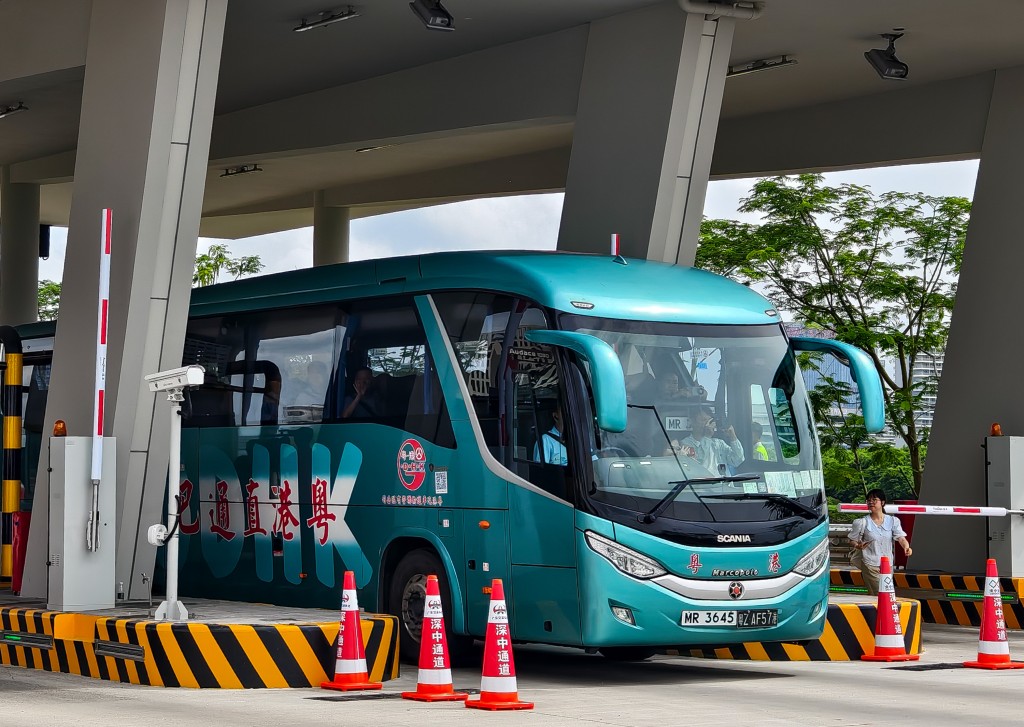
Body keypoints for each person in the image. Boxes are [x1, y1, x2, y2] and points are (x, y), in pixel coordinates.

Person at [848, 488, 912, 595]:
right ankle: (879, 611)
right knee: (880, 593)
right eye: (868, 500)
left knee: (886, 593)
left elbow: (900, 537)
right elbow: (851, 540)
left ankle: (877, 611)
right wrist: (858, 545)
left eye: (874, 500)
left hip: (887, 564)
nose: (871, 502)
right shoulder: (861, 522)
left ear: (882, 502)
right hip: (870, 563)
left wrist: (906, 547)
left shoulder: (893, 521)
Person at [672, 406, 744, 475]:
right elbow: (698, 463)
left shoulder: (719, 443)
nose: (707, 424)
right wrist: (707, 437)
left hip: (724, 485)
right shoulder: (685, 444)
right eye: (703, 420)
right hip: (703, 486)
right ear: (692, 421)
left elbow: (737, 460)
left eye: (709, 420)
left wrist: (733, 437)